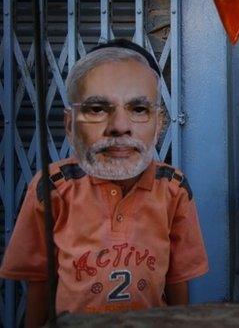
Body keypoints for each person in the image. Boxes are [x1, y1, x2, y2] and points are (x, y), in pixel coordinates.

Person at [0, 40, 209, 325]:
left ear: (159, 124)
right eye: (98, 109)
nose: (120, 126)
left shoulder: (173, 188)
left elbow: (178, 280)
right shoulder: (53, 187)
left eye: (138, 109)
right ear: (71, 124)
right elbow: (39, 282)